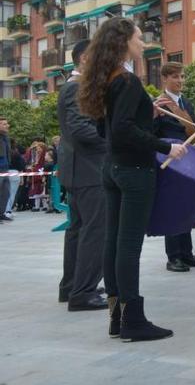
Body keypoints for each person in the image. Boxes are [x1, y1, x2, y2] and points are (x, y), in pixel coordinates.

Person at [77, 16, 187, 342]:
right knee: (128, 247)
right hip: (134, 171)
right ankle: (133, 321)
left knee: (113, 244)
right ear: (124, 41)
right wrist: (165, 146)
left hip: (112, 168)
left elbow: (105, 128)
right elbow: (124, 129)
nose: (142, 43)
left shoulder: (106, 79)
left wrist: (144, 113)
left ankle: (117, 318)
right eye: (139, 38)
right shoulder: (127, 80)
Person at [57, 39, 108, 311]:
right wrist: (113, 143)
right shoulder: (77, 88)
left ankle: (72, 286)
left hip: (81, 169)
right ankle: (83, 292)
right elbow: (81, 130)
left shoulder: (75, 87)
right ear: (86, 59)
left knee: (78, 230)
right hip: (89, 169)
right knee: (94, 230)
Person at [153, 62, 195, 272]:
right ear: (165, 79)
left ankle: (187, 253)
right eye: (176, 77)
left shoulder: (187, 103)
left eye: (182, 76)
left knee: (187, 206)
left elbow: (193, 133)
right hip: (169, 161)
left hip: (188, 161)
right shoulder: (158, 103)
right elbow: (152, 133)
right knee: (173, 208)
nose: (180, 81)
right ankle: (174, 256)